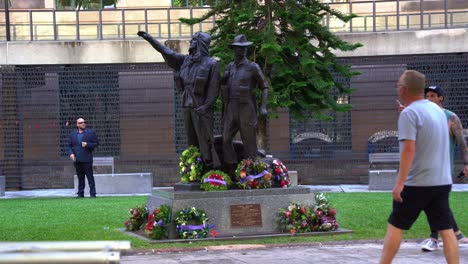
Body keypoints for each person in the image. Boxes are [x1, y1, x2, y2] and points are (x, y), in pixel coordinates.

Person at [380, 70, 459, 264]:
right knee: (446, 229)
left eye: (398, 85)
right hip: (441, 182)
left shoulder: (409, 113)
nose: (397, 88)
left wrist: (399, 184)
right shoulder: (438, 111)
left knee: (395, 226)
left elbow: (409, 149)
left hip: (416, 183)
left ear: (404, 89)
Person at [137, 30, 220, 170]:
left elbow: (214, 89)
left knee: (204, 140)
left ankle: (210, 169)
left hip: (201, 109)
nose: (191, 42)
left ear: (200, 44)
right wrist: (149, 38)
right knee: (191, 140)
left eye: (194, 40)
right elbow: (167, 52)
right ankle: (195, 168)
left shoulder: (211, 64)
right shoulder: (185, 61)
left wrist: (206, 106)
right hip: (187, 106)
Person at [419, 85, 468, 251]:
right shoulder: (423, 117)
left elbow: (462, 144)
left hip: (443, 168)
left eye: (433, 95)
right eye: (427, 96)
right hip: (425, 167)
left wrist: (466, 164)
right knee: (435, 204)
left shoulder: (451, 117)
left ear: (441, 98)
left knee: (434, 203)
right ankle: (457, 234)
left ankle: (434, 238)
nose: (429, 99)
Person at [221, 34, 268, 176]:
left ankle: (253, 172)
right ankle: (232, 167)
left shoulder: (252, 67)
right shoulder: (230, 67)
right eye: (238, 48)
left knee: (249, 142)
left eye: (244, 48)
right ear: (234, 49)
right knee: (225, 138)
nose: (241, 51)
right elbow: (222, 85)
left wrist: (263, 106)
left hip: (246, 107)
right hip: (231, 107)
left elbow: (264, 86)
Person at [67, 118, 99, 198]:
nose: (83, 124)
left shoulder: (90, 133)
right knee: (80, 177)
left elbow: (96, 143)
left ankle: (93, 194)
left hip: (87, 158)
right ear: (77, 124)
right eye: (81, 123)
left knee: (90, 177)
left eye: (84, 122)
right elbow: (69, 146)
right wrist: (71, 153)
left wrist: (87, 144)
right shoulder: (73, 134)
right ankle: (80, 194)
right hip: (77, 159)